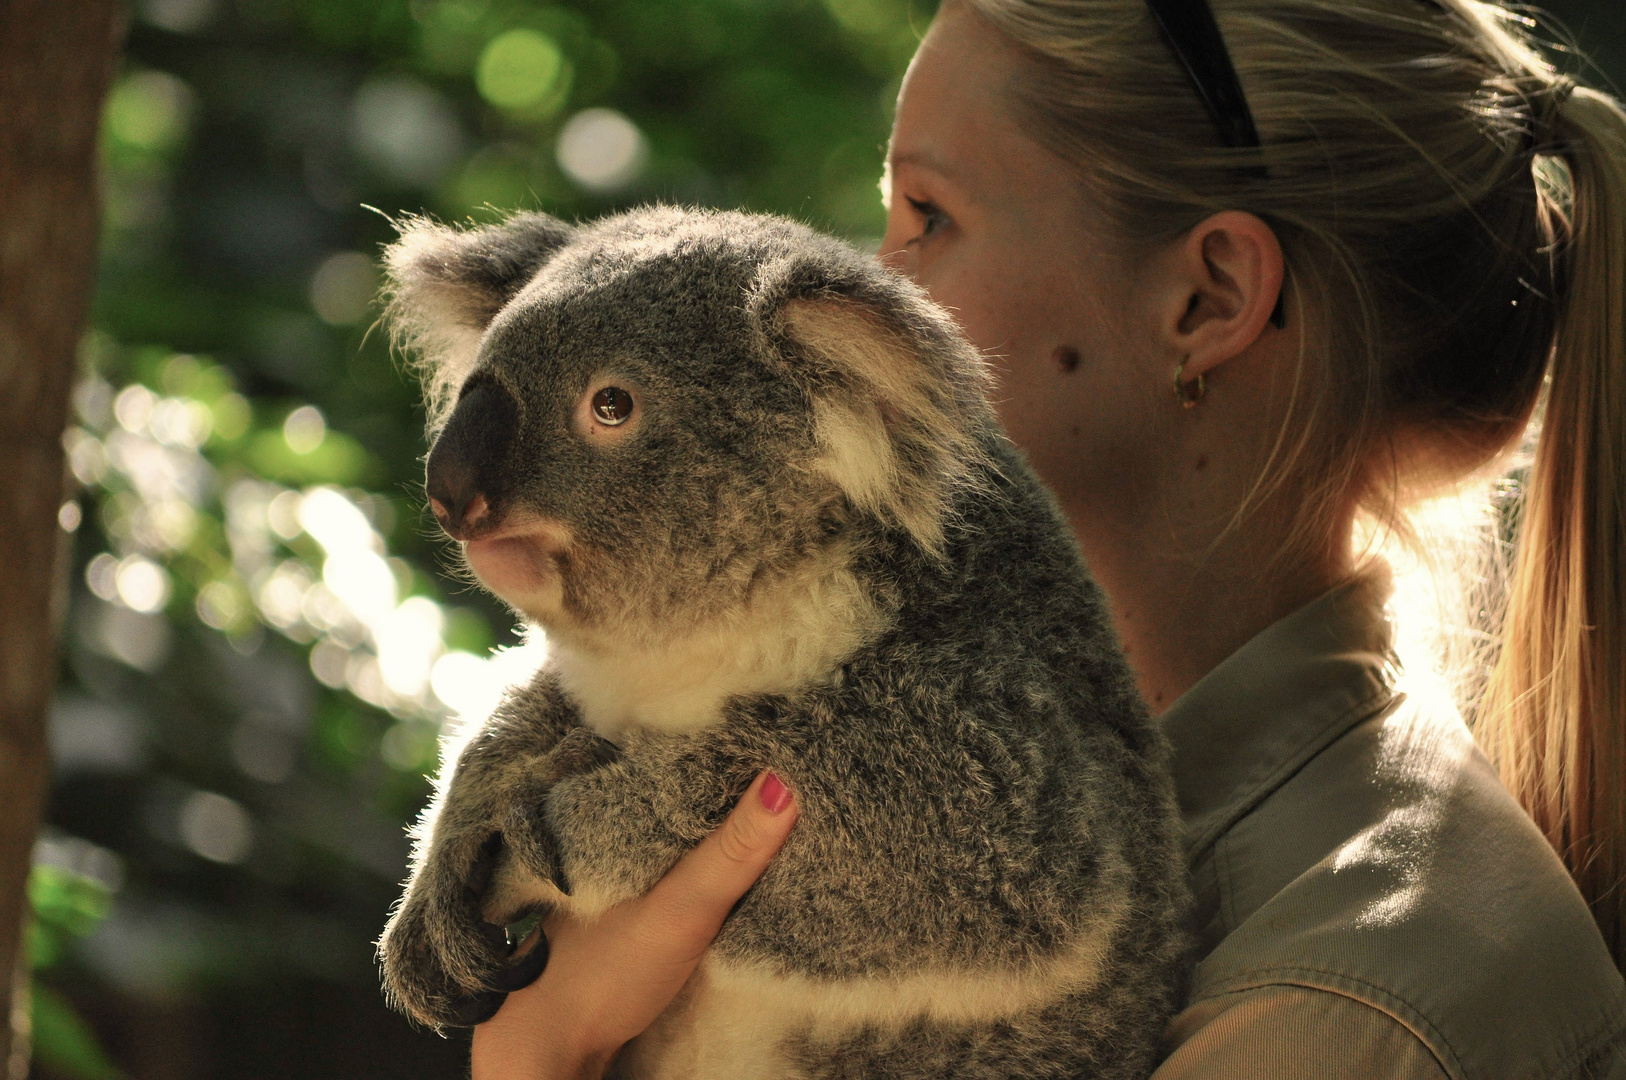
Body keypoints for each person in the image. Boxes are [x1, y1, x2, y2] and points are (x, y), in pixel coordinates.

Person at [469, 0, 1626, 1075]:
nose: (865, 284)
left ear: (1209, 298)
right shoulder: (894, 765)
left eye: (928, 216)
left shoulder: (1340, 1011)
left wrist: (539, 1057)